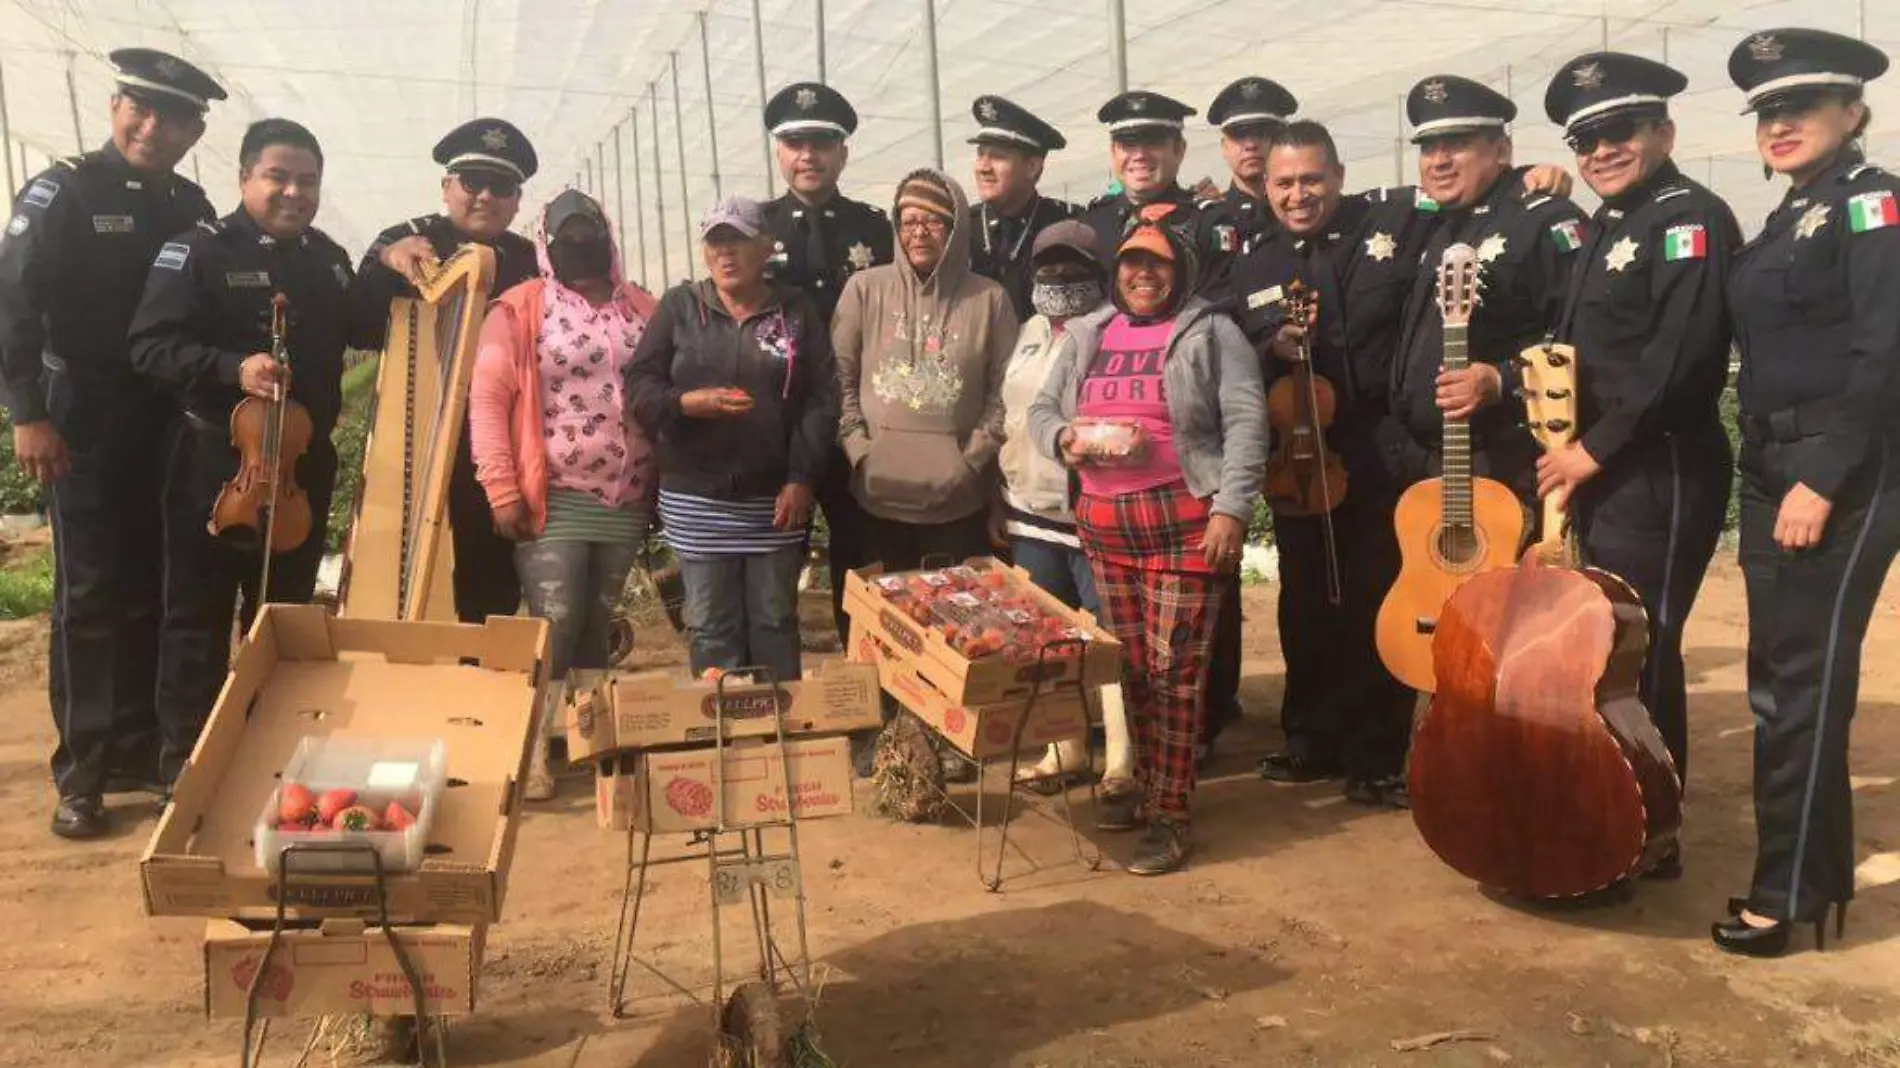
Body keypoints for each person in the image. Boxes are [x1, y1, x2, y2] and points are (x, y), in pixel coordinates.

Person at [0, 49, 224, 838]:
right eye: (140, 106)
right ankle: (84, 771)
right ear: (116, 105)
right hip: (83, 421)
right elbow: (15, 303)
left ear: (197, 130)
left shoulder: (192, 207)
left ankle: (143, 746)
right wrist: (28, 412)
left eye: (173, 117)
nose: (152, 127)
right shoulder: (62, 192)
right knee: (90, 595)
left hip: (170, 423)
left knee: (161, 587)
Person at [1716, 28, 1900, 957]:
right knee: (1781, 682)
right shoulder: (1791, 216)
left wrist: (1823, 478)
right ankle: (1813, 880)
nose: (1780, 124)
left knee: (1800, 685)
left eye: (1802, 106)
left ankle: (1782, 897)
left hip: (1841, 475)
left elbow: (1886, 353)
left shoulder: (1875, 208)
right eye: (1767, 112)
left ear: (1854, 113)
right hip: (1769, 470)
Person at [128, 118, 376, 796]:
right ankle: (187, 763)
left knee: (282, 614)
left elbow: (367, 323)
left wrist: (396, 252)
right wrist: (231, 367)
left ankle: (274, 756)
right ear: (244, 178)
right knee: (195, 616)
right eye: (279, 177)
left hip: (301, 468)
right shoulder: (198, 251)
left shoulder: (327, 259)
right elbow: (149, 345)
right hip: (214, 464)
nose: (295, 191)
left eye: (308, 181)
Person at [1539, 53, 1742, 880]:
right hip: (1601, 470)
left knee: (1643, 645)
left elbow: (1682, 362)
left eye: (1619, 132)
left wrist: (1589, 451)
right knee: (1607, 643)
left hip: (1657, 467)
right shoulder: (1608, 226)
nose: (1601, 151)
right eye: (1585, 139)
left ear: (1663, 131)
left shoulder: (1688, 216)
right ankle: (1617, 801)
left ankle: (1651, 827)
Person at [1029, 207, 1267, 875]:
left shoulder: (1212, 331)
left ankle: (1170, 815)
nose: (1141, 274)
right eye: (1131, 262)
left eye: (1156, 263)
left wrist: (1232, 510)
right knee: (1130, 667)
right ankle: (1150, 789)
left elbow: (1247, 424)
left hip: (1184, 521)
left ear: (1180, 270)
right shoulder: (1087, 334)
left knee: (1178, 674)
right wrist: (1065, 438)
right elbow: (1042, 412)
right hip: (1106, 525)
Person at [1232, 122, 1438, 806]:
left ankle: (1378, 753)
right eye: (1285, 182)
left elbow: (1461, 190)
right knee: (1305, 600)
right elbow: (1235, 356)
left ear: (1340, 176)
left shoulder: (1391, 227)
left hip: (1377, 450)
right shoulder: (1255, 263)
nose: (1299, 194)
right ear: (1266, 186)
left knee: (1378, 597)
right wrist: (1275, 350)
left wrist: (1539, 180)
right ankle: (1309, 738)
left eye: (1312, 179)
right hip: (1299, 455)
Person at [467, 189, 659, 801]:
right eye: (566, 234)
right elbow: (489, 401)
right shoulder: (521, 309)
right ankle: (529, 752)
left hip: (626, 494)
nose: (581, 244)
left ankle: (591, 741)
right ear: (547, 244)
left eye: (590, 231)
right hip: (553, 491)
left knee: (596, 622)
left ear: (609, 235)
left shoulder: (644, 309)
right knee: (555, 619)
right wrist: (500, 487)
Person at [1076, 89, 1249, 761]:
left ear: (1179, 150)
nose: (1138, 154)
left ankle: (1206, 719)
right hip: (1105, 451)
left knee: (1200, 606)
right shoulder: (1094, 223)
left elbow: (1225, 309)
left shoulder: (1209, 221)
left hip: (1187, 432)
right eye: (1126, 143)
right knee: (1125, 625)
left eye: (1153, 142)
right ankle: (1142, 741)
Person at [627, 196, 836, 689]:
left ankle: (777, 732)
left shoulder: (796, 310)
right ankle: (720, 735)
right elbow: (639, 384)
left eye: (738, 240)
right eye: (716, 241)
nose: (726, 252)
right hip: (696, 497)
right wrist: (686, 403)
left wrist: (801, 477)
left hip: (775, 501)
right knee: (712, 625)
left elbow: (821, 399)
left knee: (773, 620)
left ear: (766, 247)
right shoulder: (680, 307)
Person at [352, 118, 542, 624]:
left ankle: (478, 677)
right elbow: (359, 315)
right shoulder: (410, 240)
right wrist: (390, 259)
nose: (484, 196)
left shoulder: (528, 260)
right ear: (446, 187)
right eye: (471, 182)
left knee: (492, 575)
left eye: (500, 186)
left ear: (517, 199)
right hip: (423, 429)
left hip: (499, 439)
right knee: (417, 567)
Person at [1387, 75, 1587, 508]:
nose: (1438, 160)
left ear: (1501, 150)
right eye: (1428, 147)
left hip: (1504, 464)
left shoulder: (1541, 220)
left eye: (1457, 144)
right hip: (1424, 465)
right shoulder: (1432, 222)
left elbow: (1583, 337)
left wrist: (1503, 380)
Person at [991, 220, 1134, 797]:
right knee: (1047, 638)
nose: (1057, 277)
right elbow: (1009, 413)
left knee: (1107, 640)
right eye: (1047, 265)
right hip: (1027, 509)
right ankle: (1064, 749)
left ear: (1098, 274)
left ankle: (1121, 758)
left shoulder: (1113, 331)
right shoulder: (1028, 330)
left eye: (1073, 266)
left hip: (1088, 514)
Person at [759, 82, 893, 651]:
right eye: (794, 142)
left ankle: (866, 681)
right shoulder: (755, 228)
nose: (807, 155)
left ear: (842, 152)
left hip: (855, 414)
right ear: (779, 152)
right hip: (778, 419)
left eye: (820, 143)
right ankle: (767, 684)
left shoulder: (873, 228)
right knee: (773, 556)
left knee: (862, 553)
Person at [966, 95, 1080, 321]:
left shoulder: (1066, 227)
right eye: (980, 155)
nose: (983, 168)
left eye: (997, 157)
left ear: (1032, 167)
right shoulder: (962, 228)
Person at [1207, 76, 1298, 254]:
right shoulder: (1210, 221)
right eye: (1239, 134)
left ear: (1284, 138)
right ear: (1224, 147)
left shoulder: (1310, 210)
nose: (1251, 145)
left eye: (1262, 133)